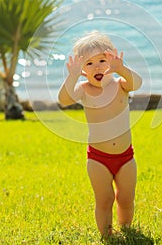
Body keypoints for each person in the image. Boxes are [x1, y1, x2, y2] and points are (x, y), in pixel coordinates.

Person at [58, 30, 142, 239]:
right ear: (83, 70)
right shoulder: (83, 89)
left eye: (102, 60)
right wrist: (71, 76)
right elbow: (64, 100)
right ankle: (107, 235)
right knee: (104, 199)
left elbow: (137, 83)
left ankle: (127, 229)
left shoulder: (121, 85)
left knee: (126, 198)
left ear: (111, 60)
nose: (96, 67)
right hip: (98, 158)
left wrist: (121, 69)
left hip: (125, 157)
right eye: (88, 63)